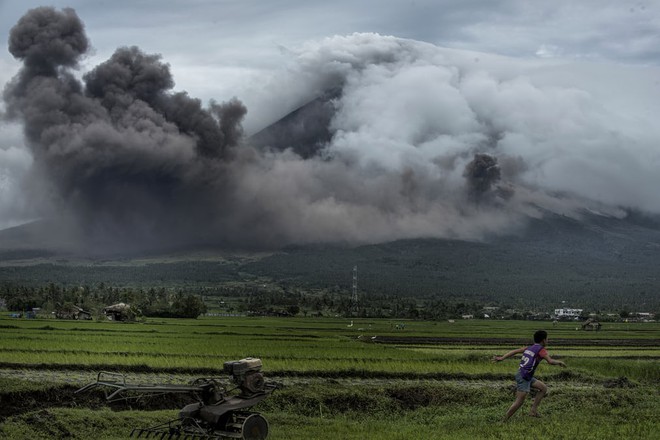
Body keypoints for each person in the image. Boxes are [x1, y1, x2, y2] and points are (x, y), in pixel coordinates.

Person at [493, 330, 566, 421]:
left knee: (543, 388)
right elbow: (550, 361)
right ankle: (503, 420)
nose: (548, 341)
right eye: (547, 339)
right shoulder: (541, 350)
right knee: (519, 401)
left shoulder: (529, 347)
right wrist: (559, 362)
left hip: (525, 375)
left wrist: (502, 358)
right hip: (524, 377)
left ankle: (533, 411)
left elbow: (515, 351)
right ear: (543, 340)